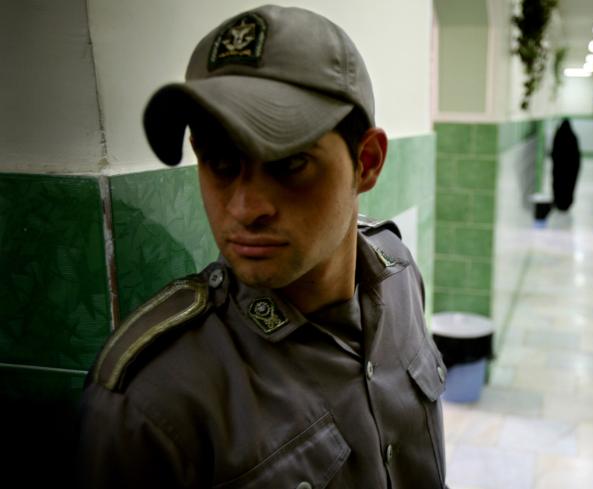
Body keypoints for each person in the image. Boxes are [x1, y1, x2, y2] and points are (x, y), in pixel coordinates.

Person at [76, 6, 448, 488]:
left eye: (290, 163)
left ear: (367, 162)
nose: (246, 208)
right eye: (220, 161)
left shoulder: (396, 272)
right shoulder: (151, 402)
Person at [550, 118, 582, 212]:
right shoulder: (573, 136)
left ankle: (558, 203)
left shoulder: (558, 136)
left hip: (559, 168)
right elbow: (577, 155)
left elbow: (554, 152)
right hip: (571, 169)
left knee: (558, 185)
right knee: (569, 186)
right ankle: (567, 203)